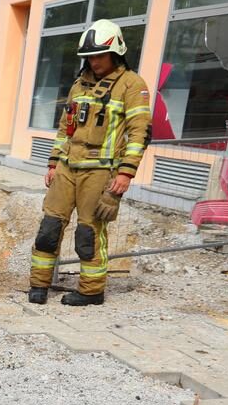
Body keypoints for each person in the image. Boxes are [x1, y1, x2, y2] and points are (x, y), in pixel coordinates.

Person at [28, 19, 152, 307]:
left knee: (89, 233)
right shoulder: (79, 84)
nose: (94, 61)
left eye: (99, 55)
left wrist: (126, 173)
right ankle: (38, 286)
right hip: (67, 167)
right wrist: (53, 162)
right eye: (90, 56)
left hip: (100, 171)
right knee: (49, 228)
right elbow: (65, 128)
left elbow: (139, 132)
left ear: (115, 52)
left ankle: (91, 290)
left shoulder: (132, 86)